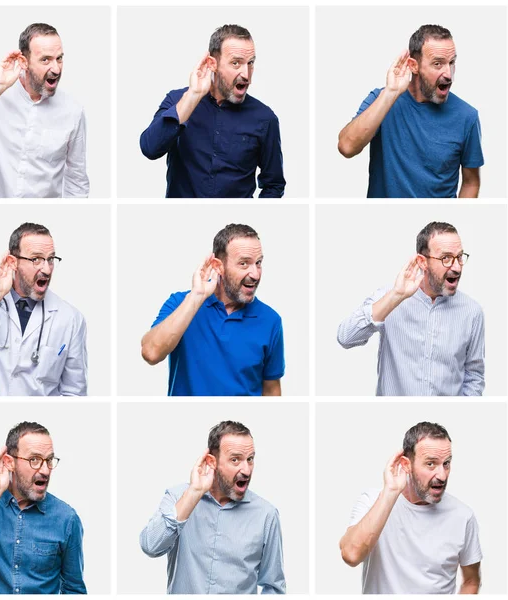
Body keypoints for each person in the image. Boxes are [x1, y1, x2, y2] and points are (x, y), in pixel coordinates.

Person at [0, 23, 89, 198]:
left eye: (59, 58)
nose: (56, 69)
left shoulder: (73, 111)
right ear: (24, 62)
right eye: (45, 60)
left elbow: (76, 179)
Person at [337, 221, 484, 396]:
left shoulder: (472, 312)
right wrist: (396, 296)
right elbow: (345, 337)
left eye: (459, 257)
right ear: (422, 262)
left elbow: (474, 375)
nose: (457, 267)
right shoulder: (390, 297)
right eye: (446, 258)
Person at [338, 24, 483, 198]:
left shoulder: (467, 117)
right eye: (438, 64)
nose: (449, 74)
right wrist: (390, 93)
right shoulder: (381, 99)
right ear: (413, 66)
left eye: (451, 63)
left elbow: (471, 182)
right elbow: (347, 147)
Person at [140, 24, 285, 198]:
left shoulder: (265, 118)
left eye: (250, 63)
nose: (246, 74)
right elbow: (150, 148)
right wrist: (193, 95)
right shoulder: (177, 101)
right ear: (212, 64)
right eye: (236, 63)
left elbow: (274, 184)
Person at [0, 222, 87, 395]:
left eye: (50, 259)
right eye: (36, 259)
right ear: (13, 262)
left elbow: (74, 392)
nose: (47, 269)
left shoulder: (71, 318)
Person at [140, 421, 285, 594]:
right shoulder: (179, 497)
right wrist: (194, 492)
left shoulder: (266, 515)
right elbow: (150, 546)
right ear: (212, 461)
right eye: (235, 459)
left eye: (250, 459)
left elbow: (274, 587)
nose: (246, 470)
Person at [0, 421, 87, 594]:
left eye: (49, 460)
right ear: (9, 463)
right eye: (34, 460)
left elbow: (74, 590)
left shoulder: (66, 519)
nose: (46, 470)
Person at [141, 223, 284, 395]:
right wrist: (196, 297)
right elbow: (151, 353)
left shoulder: (271, 320)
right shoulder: (181, 303)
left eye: (258, 263)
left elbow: (271, 388)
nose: (255, 274)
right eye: (244, 263)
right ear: (218, 266)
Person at [340, 422, 482, 594]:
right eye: (431, 464)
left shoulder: (463, 516)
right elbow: (351, 555)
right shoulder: (372, 501)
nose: (442, 475)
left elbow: (471, 581)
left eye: (446, 463)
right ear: (406, 465)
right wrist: (391, 492)